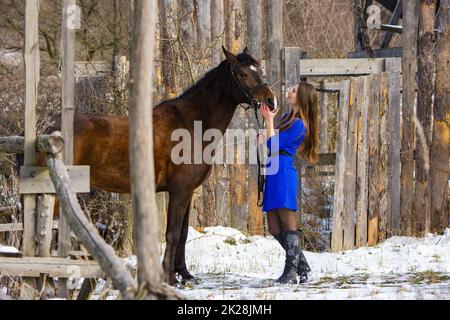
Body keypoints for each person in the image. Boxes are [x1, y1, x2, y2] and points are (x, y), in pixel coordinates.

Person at [260, 82, 319, 284]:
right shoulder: (287, 118)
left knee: (288, 224)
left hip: (283, 172)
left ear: (301, 97)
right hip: (274, 170)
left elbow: (272, 144)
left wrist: (268, 121)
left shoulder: (300, 124)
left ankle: (290, 273)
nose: (289, 91)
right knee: (274, 228)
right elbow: (272, 142)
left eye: (293, 90)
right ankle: (304, 269)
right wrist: (271, 124)